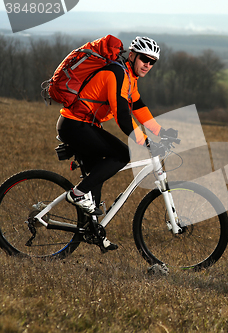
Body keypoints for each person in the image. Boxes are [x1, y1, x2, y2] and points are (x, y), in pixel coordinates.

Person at [56, 36, 175, 252]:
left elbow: (138, 106)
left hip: (86, 125)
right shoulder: (117, 73)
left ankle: (92, 230)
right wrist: (144, 141)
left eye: (152, 62)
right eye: (144, 59)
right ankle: (76, 194)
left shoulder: (130, 77)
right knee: (122, 155)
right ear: (132, 55)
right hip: (75, 125)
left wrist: (161, 132)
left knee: (96, 177)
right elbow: (122, 114)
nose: (147, 65)